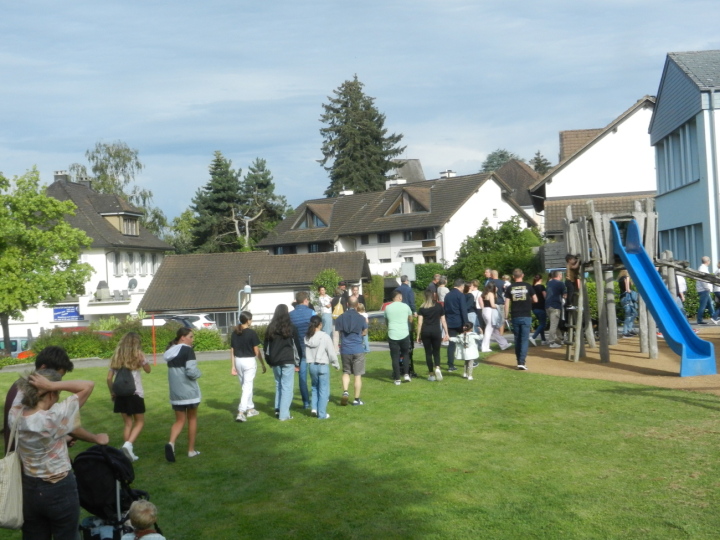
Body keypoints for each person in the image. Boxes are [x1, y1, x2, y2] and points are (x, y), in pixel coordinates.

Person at [9, 369, 109, 539]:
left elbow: (22, 392)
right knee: (67, 535)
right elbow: (88, 385)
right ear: (50, 393)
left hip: (29, 488)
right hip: (59, 487)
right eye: (57, 393)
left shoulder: (15, 412)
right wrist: (52, 384)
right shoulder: (53, 417)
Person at [4, 345, 75, 452]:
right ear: (43, 368)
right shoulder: (30, 391)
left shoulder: (22, 385)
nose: (57, 383)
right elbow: (30, 429)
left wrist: (63, 437)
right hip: (25, 458)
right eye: (56, 377)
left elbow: (38, 428)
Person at [106, 332, 151, 462]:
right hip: (135, 393)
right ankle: (128, 445)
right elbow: (148, 370)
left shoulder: (116, 357)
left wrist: (112, 392)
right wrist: (144, 360)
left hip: (120, 395)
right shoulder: (138, 355)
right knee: (140, 422)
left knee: (127, 423)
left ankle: (127, 453)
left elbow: (109, 378)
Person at [164, 327, 202, 462]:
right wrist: (199, 373)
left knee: (179, 421)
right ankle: (191, 450)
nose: (193, 339)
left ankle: (171, 443)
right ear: (183, 337)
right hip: (189, 393)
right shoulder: (188, 350)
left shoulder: (170, 352)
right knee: (192, 419)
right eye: (191, 337)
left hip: (176, 393)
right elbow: (191, 371)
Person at [264, 304, 302, 421]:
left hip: (275, 360)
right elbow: (297, 347)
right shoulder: (291, 327)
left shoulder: (270, 328)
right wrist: (298, 363)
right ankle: (284, 414)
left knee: (279, 385)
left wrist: (268, 361)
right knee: (287, 387)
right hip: (288, 360)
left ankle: (278, 409)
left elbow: (266, 347)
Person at [230, 311, 266, 423]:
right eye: (251, 319)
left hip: (238, 361)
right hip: (249, 362)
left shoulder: (235, 333)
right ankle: (241, 412)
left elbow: (232, 350)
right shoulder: (251, 333)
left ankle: (250, 408)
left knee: (245, 386)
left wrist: (233, 365)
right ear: (248, 320)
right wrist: (262, 363)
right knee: (247, 387)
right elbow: (256, 350)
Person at [304, 315, 340, 419]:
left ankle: (314, 408)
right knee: (324, 390)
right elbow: (331, 353)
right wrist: (336, 364)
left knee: (314, 387)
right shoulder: (324, 336)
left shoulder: (307, 337)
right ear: (320, 324)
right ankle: (322, 414)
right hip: (322, 366)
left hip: (312, 365)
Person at [334, 297, 367, 406]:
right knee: (357, 375)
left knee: (346, 372)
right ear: (357, 305)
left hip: (345, 349)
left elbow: (338, 333)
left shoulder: (340, 318)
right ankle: (356, 399)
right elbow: (365, 331)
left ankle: (345, 392)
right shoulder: (361, 318)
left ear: (347, 304)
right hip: (357, 348)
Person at [505, 268, 537, 370]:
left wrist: (506, 316)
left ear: (513, 277)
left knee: (517, 339)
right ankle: (522, 362)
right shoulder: (528, 286)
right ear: (522, 275)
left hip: (515, 315)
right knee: (524, 339)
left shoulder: (510, 287)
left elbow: (506, 303)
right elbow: (535, 299)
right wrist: (528, 301)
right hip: (526, 315)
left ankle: (519, 361)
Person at [289, 291, 317, 410]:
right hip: (311, 347)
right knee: (316, 375)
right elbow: (316, 328)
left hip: (298, 348)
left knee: (302, 376)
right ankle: (316, 400)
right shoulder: (311, 312)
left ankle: (306, 402)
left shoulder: (290, 315)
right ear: (306, 300)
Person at [416, 290, 449, 381]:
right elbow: (443, 321)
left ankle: (431, 374)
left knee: (428, 353)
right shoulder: (438, 306)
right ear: (433, 296)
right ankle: (437, 367)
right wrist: (446, 333)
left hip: (425, 331)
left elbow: (419, 323)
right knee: (436, 351)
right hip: (436, 331)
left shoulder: (422, 308)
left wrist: (418, 335)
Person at [385, 289, 413, 385]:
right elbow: (410, 319)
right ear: (399, 297)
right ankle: (406, 374)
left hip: (392, 333)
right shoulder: (406, 306)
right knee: (405, 354)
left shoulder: (387, 308)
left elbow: (386, 321)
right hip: (404, 333)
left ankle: (397, 378)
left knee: (395, 357)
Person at [443, 278, 469, 372]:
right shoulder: (460, 295)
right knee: (466, 342)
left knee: (451, 344)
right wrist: (466, 323)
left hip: (450, 322)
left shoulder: (447, 295)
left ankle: (450, 365)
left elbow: (445, 309)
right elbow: (463, 310)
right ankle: (469, 361)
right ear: (461, 286)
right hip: (460, 322)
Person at [480, 281, 509, 352]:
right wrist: (498, 307)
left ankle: (503, 344)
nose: (496, 288)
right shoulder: (491, 294)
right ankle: (484, 347)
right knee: (489, 329)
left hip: (484, 311)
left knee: (491, 329)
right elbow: (492, 305)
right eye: (495, 287)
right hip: (489, 311)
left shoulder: (484, 294)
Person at [545, 271, 567, 348]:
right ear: (559, 275)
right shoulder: (560, 283)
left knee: (555, 323)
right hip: (555, 306)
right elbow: (565, 295)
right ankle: (551, 342)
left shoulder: (549, 283)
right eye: (561, 275)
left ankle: (560, 338)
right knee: (553, 325)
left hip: (547, 306)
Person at [618, 270, 637, 337]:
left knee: (633, 314)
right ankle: (626, 331)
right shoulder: (626, 278)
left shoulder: (620, 279)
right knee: (629, 315)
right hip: (627, 297)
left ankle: (629, 330)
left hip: (623, 298)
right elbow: (627, 289)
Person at [530, 274, 547, 346]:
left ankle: (543, 340)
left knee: (541, 324)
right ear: (541, 279)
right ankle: (533, 337)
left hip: (534, 307)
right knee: (543, 324)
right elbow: (545, 296)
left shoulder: (532, 287)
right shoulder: (541, 287)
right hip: (541, 307)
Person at [696, 256, 713, 324]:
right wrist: (707, 288)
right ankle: (699, 320)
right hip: (704, 290)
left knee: (710, 304)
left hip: (704, 289)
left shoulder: (703, 268)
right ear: (708, 261)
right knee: (703, 305)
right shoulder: (703, 269)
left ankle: (714, 316)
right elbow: (703, 280)